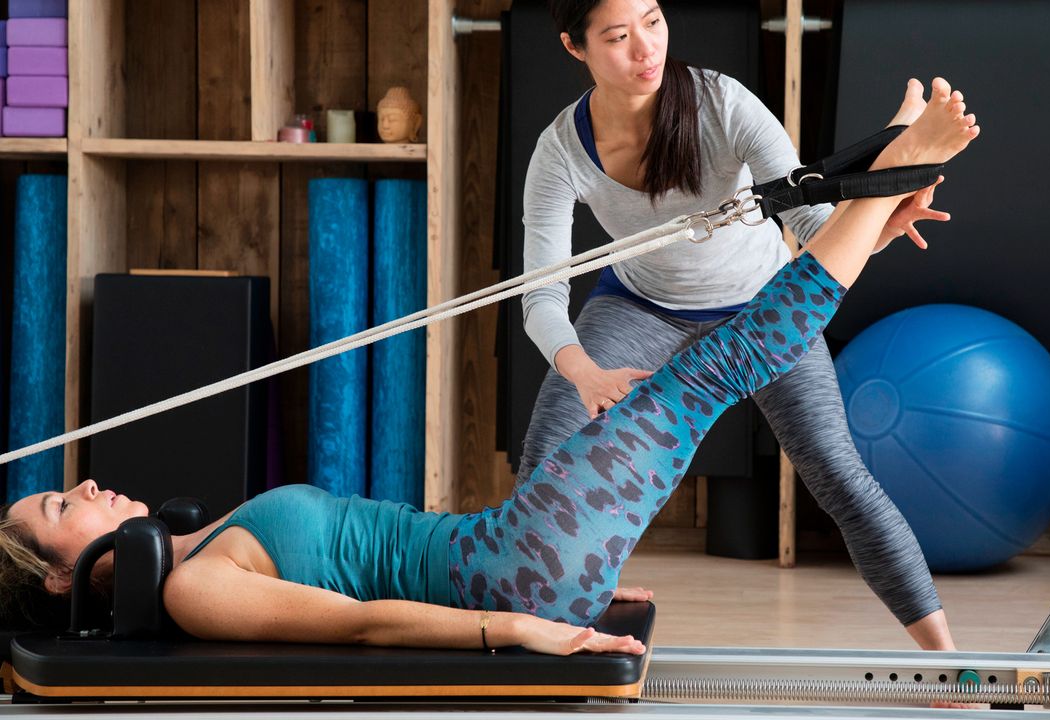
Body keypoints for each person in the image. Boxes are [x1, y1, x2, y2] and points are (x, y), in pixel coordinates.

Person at [0, 76, 978, 658]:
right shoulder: (188, 589)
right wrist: (523, 636)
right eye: (57, 507)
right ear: (62, 580)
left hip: (507, 548)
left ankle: (875, 206)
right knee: (713, 372)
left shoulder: (195, 544)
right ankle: (886, 183)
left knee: (714, 368)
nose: (78, 484)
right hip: (512, 578)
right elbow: (362, 629)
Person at [519, 0, 956, 650]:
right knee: (547, 460)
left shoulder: (724, 105)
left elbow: (809, 232)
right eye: (617, 36)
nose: (645, 48)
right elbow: (542, 297)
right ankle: (548, 613)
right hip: (640, 307)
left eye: (653, 20)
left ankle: (951, 659)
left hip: (761, 303)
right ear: (574, 46)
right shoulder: (560, 151)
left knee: (836, 470)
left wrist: (880, 231)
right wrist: (580, 369)